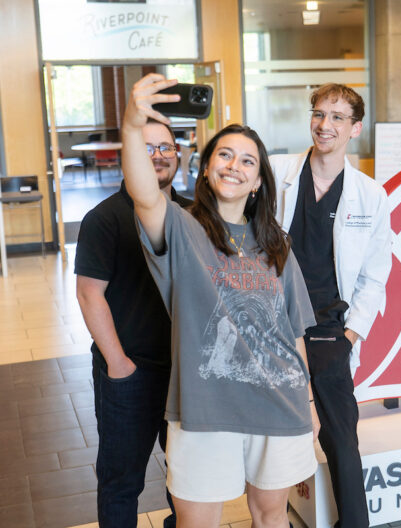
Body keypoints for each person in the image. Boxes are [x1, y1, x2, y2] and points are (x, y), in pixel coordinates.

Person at [121, 73, 319, 528]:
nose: (235, 166)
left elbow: (294, 334)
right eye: (225, 155)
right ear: (207, 168)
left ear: (258, 181)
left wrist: (309, 403)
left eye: (248, 161)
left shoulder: (277, 245)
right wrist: (132, 126)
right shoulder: (180, 227)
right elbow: (143, 194)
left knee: (271, 517)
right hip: (203, 410)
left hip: (279, 401)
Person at [270, 84, 392, 528]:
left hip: (329, 330)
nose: (325, 125)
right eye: (319, 114)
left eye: (338, 117)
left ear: (355, 128)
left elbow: (375, 275)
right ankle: (272, 519)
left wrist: (350, 335)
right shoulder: (277, 173)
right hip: (274, 325)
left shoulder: (370, 195)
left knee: (341, 437)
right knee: (273, 436)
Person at [75, 119, 189, 528]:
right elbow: (89, 295)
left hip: (186, 374)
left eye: (165, 147)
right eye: (146, 148)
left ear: (178, 154)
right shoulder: (104, 218)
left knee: (188, 478)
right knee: (121, 482)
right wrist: (118, 364)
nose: (158, 156)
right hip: (131, 372)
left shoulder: (193, 213)